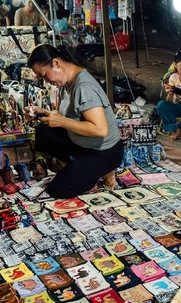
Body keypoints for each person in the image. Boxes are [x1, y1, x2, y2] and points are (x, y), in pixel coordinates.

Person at [24, 44, 123, 198]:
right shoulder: (67, 81)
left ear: (56, 63)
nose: (45, 81)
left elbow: (100, 130)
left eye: (44, 75)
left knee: (58, 190)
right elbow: (70, 115)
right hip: (82, 143)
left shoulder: (83, 87)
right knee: (43, 130)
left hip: (103, 152)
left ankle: (103, 171)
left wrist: (61, 121)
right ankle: (77, 170)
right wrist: (41, 113)